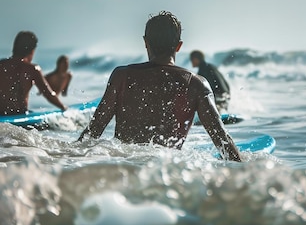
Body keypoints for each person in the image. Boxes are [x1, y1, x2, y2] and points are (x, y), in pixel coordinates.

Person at [78, 11, 241, 161]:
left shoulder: (122, 76)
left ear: (145, 42)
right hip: (164, 172)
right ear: (179, 46)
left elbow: (93, 131)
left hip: (124, 166)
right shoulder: (196, 84)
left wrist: (69, 160)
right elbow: (222, 140)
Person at [0, 31, 67, 115]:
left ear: (14, 48)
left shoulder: (1, 65)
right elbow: (48, 94)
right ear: (32, 51)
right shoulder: (32, 69)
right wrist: (63, 107)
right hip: (20, 116)